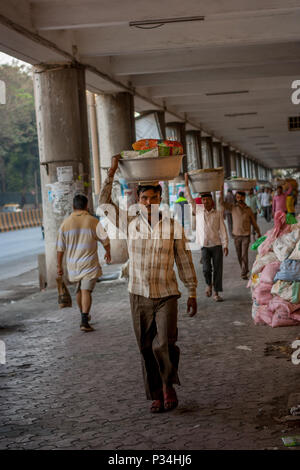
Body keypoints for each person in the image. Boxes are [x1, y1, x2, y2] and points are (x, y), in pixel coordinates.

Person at [99, 155, 197, 414]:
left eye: (153, 198)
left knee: (164, 343)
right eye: (144, 198)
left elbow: (184, 259)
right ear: (138, 201)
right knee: (145, 347)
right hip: (139, 294)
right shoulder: (129, 223)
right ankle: (155, 393)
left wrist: (192, 291)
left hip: (167, 293)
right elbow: (103, 204)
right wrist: (111, 172)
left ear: (160, 199)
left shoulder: (173, 226)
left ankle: (167, 386)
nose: (149, 202)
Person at [56, 194, 111, 332]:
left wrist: (59, 266)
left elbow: (60, 248)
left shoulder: (65, 223)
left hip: (73, 265)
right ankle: (84, 321)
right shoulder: (93, 221)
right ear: (86, 206)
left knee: (80, 290)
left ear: (73, 206)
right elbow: (105, 239)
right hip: (89, 264)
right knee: (86, 290)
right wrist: (108, 252)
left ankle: (83, 316)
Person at [184, 174, 228, 302]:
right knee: (206, 269)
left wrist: (225, 245)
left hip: (217, 245)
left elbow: (223, 230)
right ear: (201, 202)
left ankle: (216, 292)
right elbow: (189, 197)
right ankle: (209, 284)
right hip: (204, 245)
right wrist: (186, 183)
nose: (205, 202)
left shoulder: (217, 213)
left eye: (208, 200)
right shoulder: (197, 211)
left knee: (218, 270)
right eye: (203, 200)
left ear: (211, 201)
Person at [220, 187, 261, 280]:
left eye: (241, 197)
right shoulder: (233, 207)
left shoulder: (249, 209)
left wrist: (258, 232)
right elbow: (221, 203)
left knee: (244, 255)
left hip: (246, 235)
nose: (239, 199)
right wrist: (221, 190)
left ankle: (243, 272)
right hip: (236, 236)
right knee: (239, 255)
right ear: (236, 198)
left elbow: (254, 223)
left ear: (244, 198)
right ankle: (244, 269)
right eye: (238, 197)